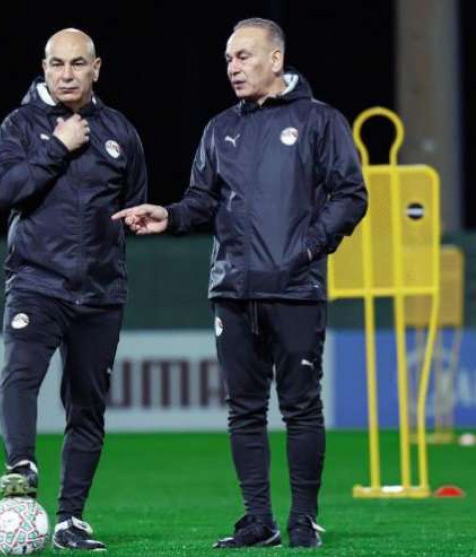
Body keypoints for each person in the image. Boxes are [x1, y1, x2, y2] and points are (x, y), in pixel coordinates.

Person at [113, 17, 367, 550]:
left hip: (295, 288)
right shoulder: (219, 129)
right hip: (232, 289)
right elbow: (202, 200)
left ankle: (304, 519)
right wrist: (170, 215)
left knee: (301, 407)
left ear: (276, 59)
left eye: (244, 56)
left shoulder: (320, 121)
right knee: (244, 411)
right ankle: (258, 520)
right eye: (229, 58)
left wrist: (309, 246)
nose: (233, 67)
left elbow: (351, 195)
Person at [0, 28, 147, 551]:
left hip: (100, 293)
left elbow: (132, 203)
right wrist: (57, 148)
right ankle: (20, 466)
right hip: (36, 282)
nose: (66, 74)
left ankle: (70, 520)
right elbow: (4, 191)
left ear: (96, 68)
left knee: (87, 409)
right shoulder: (20, 125)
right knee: (20, 373)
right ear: (44, 68)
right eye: (56, 64)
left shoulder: (121, 132)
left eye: (77, 64)